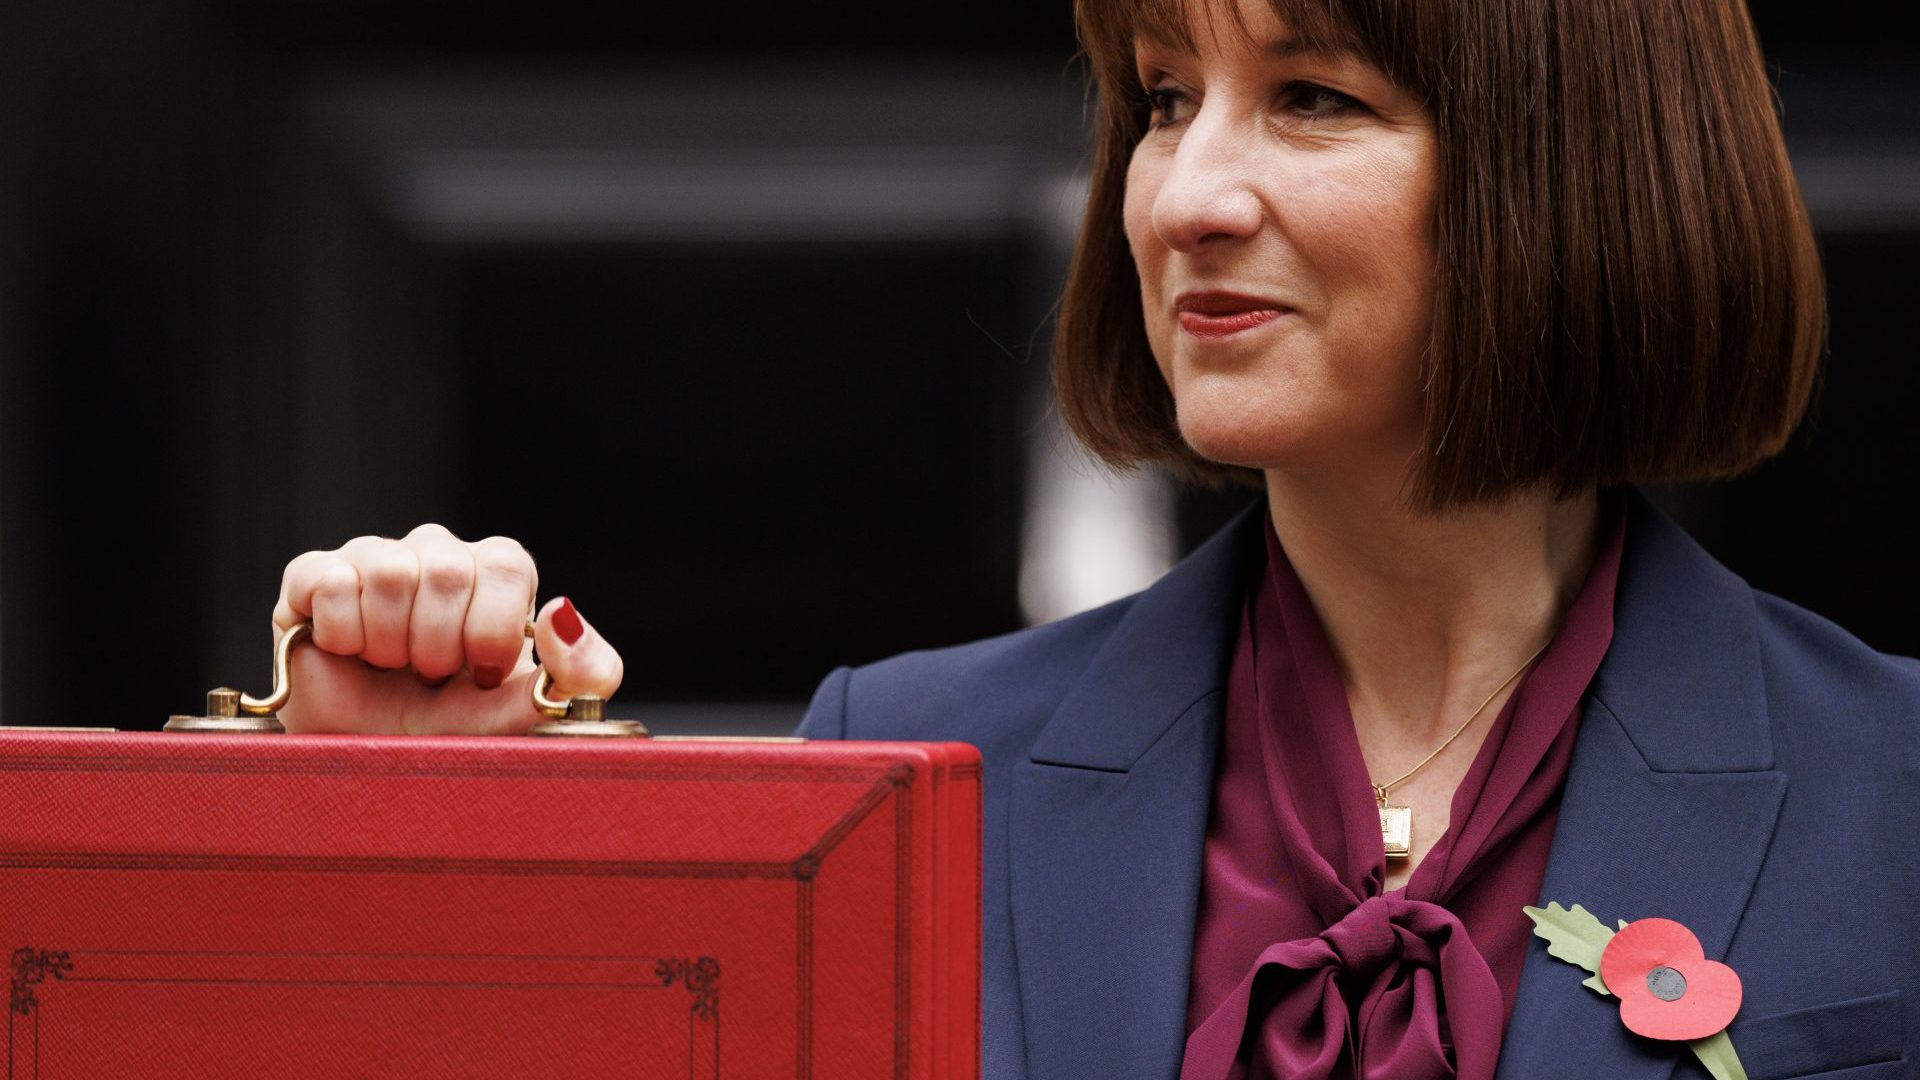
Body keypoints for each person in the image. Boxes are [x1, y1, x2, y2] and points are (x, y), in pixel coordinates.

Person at [270, 0, 1919, 1076]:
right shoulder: (904, 769)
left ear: (1579, 169)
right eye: (1162, 98)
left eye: (1313, 99)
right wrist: (422, 844)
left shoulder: (1895, 796)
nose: (1182, 193)